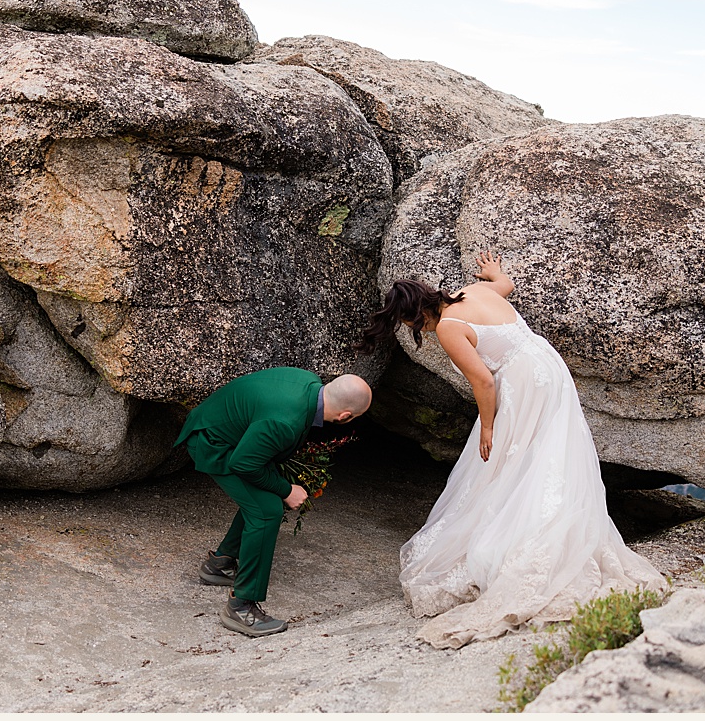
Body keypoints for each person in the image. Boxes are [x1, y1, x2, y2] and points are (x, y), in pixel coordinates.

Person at [365, 251, 665, 649]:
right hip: (549, 367)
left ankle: (527, 538)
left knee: (509, 456)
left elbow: (485, 384)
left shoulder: (450, 328)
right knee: (550, 451)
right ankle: (553, 518)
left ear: (415, 317)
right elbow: (503, 287)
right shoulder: (469, 292)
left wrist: (488, 427)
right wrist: (496, 273)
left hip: (523, 382)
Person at [179, 366, 372, 637]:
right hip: (212, 443)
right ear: (345, 416)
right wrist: (286, 489)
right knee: (267, 509)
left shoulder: (308, 381)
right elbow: (244, 464)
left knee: (261, 500)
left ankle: (219, 564)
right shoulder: (286, 422)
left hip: (231, 433)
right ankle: (240, 606)